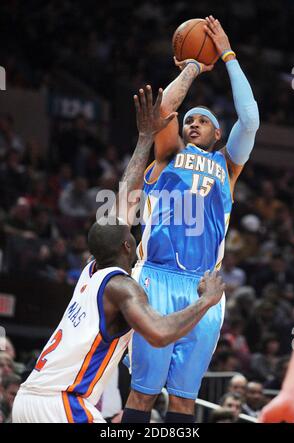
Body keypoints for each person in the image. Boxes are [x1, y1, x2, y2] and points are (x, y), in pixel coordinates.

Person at [12, 86, 225, 423]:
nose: (136, 230)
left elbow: (126, 198)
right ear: (127, 246)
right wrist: (206, 300)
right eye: (131, 233)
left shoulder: (90, 273)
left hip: (26, 399)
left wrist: (144, 139)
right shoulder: (121, 287)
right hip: (63, 405)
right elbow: (159, 332)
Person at [122, 15, 259, 423]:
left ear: (218, 134)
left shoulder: (227, 166)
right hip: (156, 279)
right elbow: (163, 109)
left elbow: (249, 119)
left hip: (203, 289)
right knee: (142, 397)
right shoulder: (168, 156)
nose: (192, 123)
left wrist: (228, 54)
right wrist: (195, 66)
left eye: (202, 121)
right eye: (188, 121)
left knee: (183, 402)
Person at [259, 347, 294, 423]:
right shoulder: (270, 384)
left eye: (288, 369)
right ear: (280, 370)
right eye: (285, 369)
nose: (287, 372)